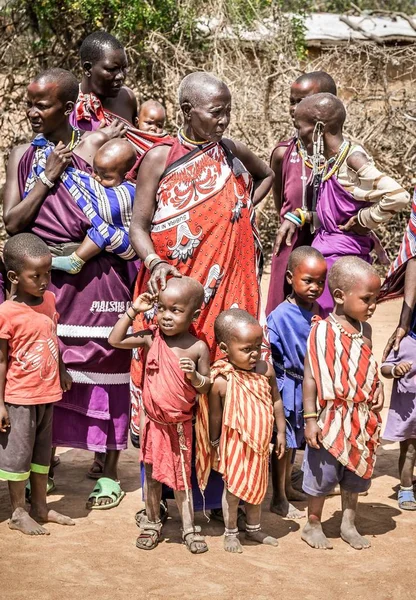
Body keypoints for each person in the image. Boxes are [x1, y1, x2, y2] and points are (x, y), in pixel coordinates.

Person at [129, 71, 273, 513]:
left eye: (228, 111)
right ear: (188, 112)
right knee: (168, 385)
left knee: (215, 385)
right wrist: (154, 262)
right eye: (216, 112)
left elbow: (266, 173)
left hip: (229, 287)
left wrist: (241, 211)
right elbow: (137, 225)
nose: (225, 120)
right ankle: (162, 496)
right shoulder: (160, 157)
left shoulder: (228, 150)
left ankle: (214, 498)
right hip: (176, 292)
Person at [3, 68, 137, 509]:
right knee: (46, 367)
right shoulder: (23, 153)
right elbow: (13, 223)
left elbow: (123, 205)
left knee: (106, 364)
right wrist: (47, 177)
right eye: (29, 103)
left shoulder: (96, 146)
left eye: (42, 104)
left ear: (68, 105)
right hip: (45, 276)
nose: (33, 112)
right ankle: (47, 460)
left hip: (99, 272)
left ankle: (109, 470)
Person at [108, 276, 210, 553]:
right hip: (153, 424)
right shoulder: (151, 338)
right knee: (151, 476)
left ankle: (188, 527)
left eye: (176, 311)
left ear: (195, 314)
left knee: (181, 479)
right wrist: (135, 310)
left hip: (180, 427)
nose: (165, 316)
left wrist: (193, 375)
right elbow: (114, 339)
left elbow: (206, 387)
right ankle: (152, 522)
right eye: (161, 308)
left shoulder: (198, 348)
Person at [293, 93, 410, 316]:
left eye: (300, 127)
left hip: (343, 262)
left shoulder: (352, 160)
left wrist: (363, 220)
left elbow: (398, 196)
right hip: (327, 255)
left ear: (318, 128)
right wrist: (302, 216)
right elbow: (333, 215)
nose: (298, 134)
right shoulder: (330, 161)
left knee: (337, 325)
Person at [301, 257, 384, 550]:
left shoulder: (366, 331)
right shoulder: (321, 330)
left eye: (376, 299)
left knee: (355, 475)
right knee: (323, 474)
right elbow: (310, 378)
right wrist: (310, 419)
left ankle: (348, 523)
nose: (372, 306)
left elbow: (367, 368)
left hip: (361, 419)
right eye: (366, 299)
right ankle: (313, 523)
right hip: (329, 416)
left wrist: (378, 389)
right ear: (339, 296)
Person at [0, 234, 74, 535]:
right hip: (19, 396)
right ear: (14, 277)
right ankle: (18, 511)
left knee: (42, 454)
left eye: (48, 273)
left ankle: (40, 506)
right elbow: (2, 361)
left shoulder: (50, 301)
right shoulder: (6, 313)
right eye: (36, 276)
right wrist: (0, 403)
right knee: (19, 456)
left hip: (47, 392)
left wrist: (63, 369)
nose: (44, 281)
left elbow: (51, 338)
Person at [195, 309, 285, 553]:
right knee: (233, 490)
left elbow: (276, 400)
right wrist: (214, 441)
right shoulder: (221, 380)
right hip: (233, 444)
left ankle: (254, 529)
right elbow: (215, 415)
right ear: (225, 348)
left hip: (260, 443)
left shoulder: (266, 370)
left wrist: (281, 432)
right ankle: (231, 532)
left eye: (257, 346)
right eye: (247, 349)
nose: (254, 353)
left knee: (257, 489)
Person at [266, 71, 337, 314]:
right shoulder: (282, 153)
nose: (295, 108)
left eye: (303, 101)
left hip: (329, 248)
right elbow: (282, 206)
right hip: (291, 245)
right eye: (292, 101)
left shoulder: (344, 158)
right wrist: (293, 219)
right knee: (281, 315)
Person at [267, 246, 327, 519]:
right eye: (308, 281)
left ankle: (288, 489)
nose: (315, 288)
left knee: (293, 445)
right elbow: (271, 354)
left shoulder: (319, 311)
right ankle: (278, 497)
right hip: (287, 388)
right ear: (290, 277)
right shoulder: (280, 315)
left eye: (320, 282)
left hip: (308, 387)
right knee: (283, 444)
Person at [71, 32, 171, 157]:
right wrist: (99, 139)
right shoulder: (68, 106)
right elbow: (57, 156)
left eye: (124, 68)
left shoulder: (127, 98)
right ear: (87, 69)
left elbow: (141, 142)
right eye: (112, 69)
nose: (121, 76)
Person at [48, 138, 137, 274]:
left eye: (106, 177)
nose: (96, 178)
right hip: (114, 239)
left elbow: (108, 207)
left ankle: (75, 261)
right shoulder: (106, 182)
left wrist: (74, 177)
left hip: (128, 243)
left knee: (103, 231)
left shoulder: (130, 190)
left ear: (126, 176)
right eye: (94, 171)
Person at [381, 344, 416, 510]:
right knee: (409, 451)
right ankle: (406, 488)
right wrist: (395, 369)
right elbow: (385, 368)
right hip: (409, 409)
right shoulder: (403, 342)